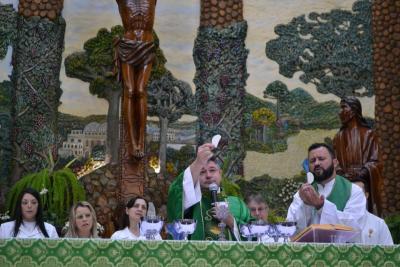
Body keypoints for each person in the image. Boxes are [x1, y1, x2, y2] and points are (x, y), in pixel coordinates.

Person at [167, 143, 251, 240]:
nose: (208, 175)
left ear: (220, 173)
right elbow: (176, 194)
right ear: (196, 177)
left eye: (212, 170)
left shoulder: (237, 204)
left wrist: (232, 222)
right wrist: (198, 162)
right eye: (202, 172)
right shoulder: (191, 204)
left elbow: (256, 234)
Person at [286, 143, 366, 233]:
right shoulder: (303, 193)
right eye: (312, 161)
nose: (316, 163)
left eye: (321, 159)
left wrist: (321, 206)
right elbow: (291, 228)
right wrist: (305, 205)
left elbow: (354, 227)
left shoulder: (353, 191)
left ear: (335, 163)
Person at [115, 0, 157, 159]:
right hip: (128, 45)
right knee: (130, 90)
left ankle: (140, 141)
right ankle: (133, 143)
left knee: (140, 90)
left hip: (146, 45)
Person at [333, 96, 383, 215]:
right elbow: (334, 162)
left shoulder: (369, 134)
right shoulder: (338, 138)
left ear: (354, 111)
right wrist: (342, 174)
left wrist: (361, 174)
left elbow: (376, 162)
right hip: (343, 185)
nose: (340, 112)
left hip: (363, 184)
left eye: (343, 107)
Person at [352, 179, 393, 245]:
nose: (355, 197)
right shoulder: (340, 222)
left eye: (358, 193)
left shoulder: (379, 223)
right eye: (352, 194)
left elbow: (388, 250)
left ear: (366, 195)